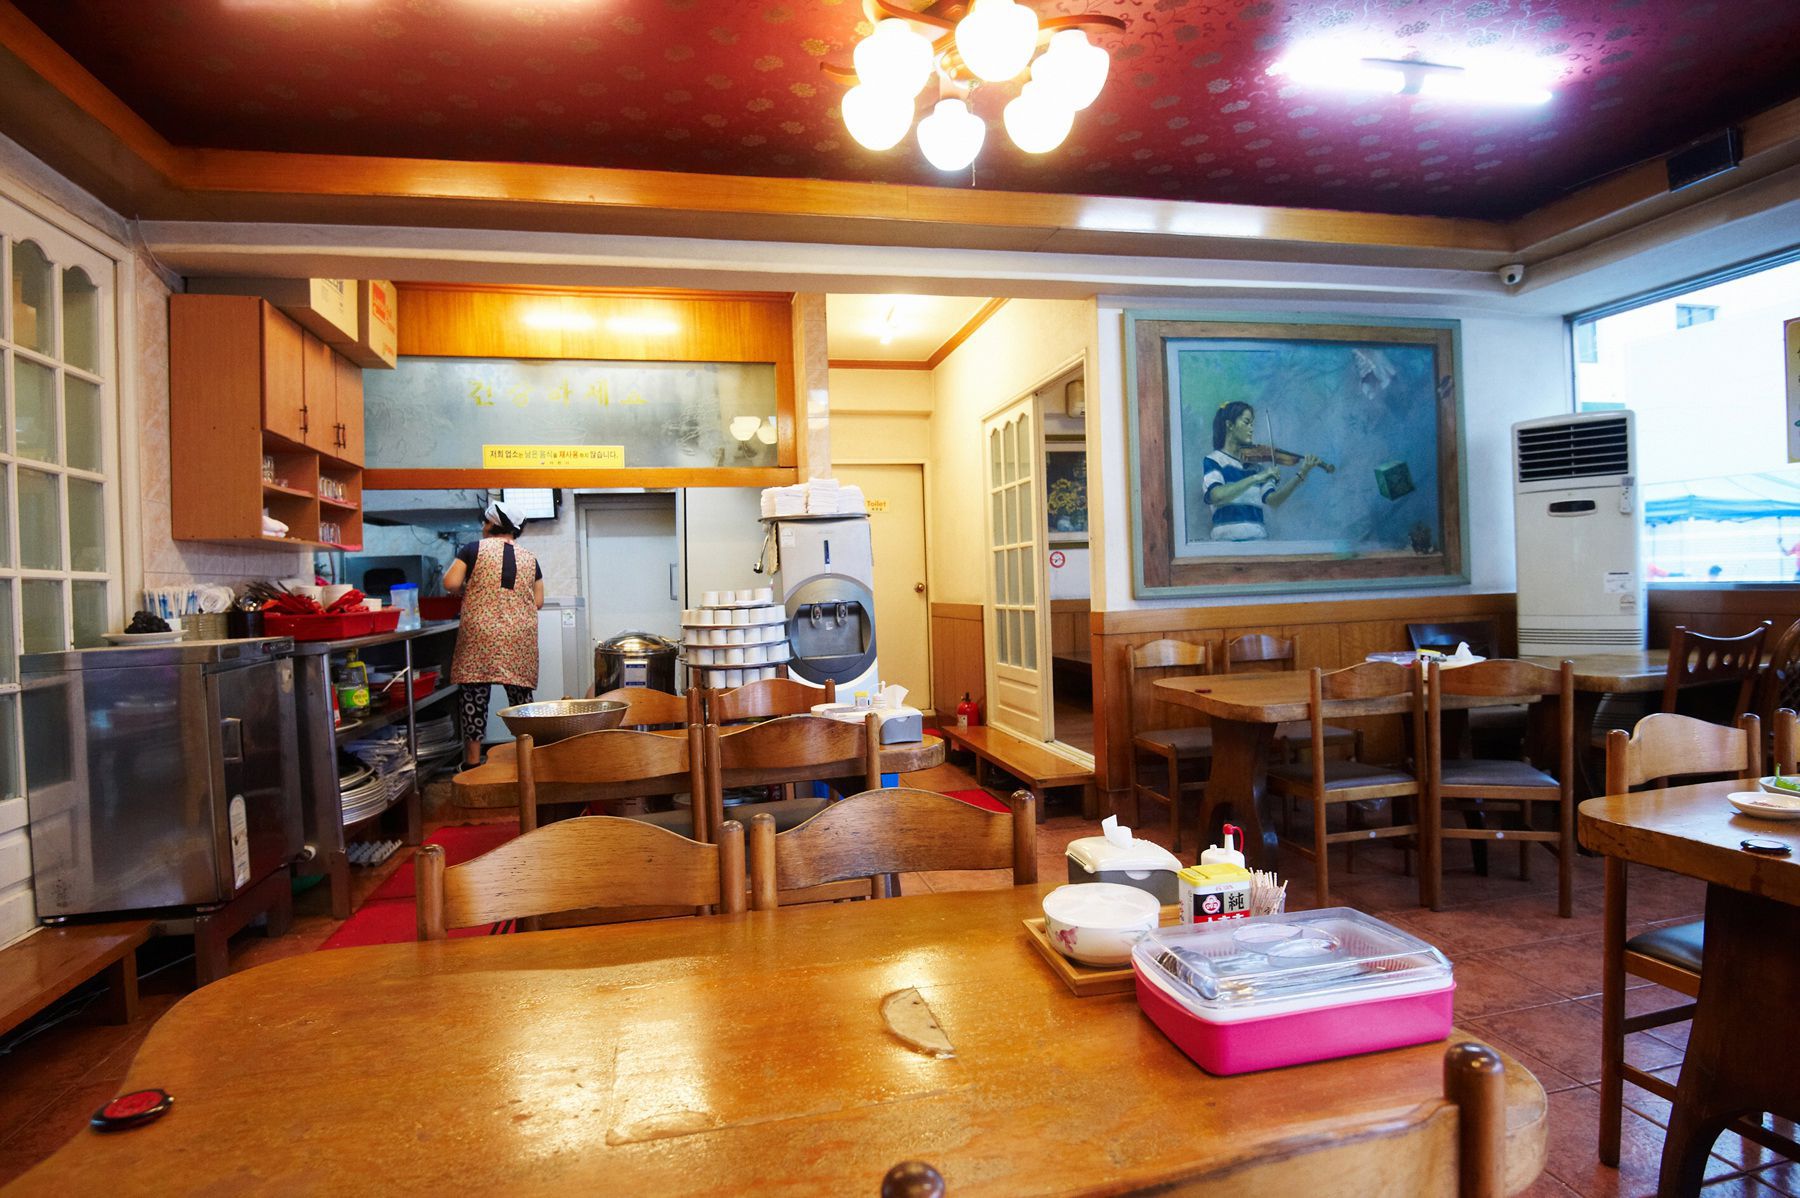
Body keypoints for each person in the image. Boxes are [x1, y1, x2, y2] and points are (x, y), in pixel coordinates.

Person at [443, 499, 545, 770]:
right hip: (518, 635)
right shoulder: (530, 558)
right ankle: (527, 758)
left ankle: (473, 762)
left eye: (486, 521)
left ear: (492, 524)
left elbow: (450, 583)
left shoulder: (472, 549)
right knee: (520, 700)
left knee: (474, 696)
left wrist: (470, 589)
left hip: (481, 634)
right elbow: (538, 601)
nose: (483, 526)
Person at [1202, 401, 1321, 541]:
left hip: (1258, 540)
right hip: (1225, 542)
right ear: (1230, 425)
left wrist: (1301, 474)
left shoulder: (1256, 467)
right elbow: (1216, 495)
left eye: (1252, 424)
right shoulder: (1214, 460)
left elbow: (1274, 501)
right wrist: (1256, 478)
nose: (1251, 429)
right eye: (1246, 422)